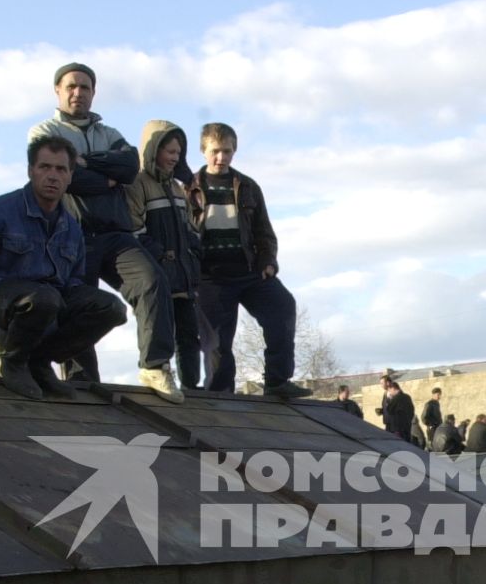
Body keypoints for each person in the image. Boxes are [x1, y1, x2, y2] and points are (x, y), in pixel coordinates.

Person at [0, 136, 127, 401]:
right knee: (43, 298)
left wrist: (80, 305)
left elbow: (73, 281)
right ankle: (13, 362)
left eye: (60, 169)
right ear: (30, 171)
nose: (52, 176)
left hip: (45, 312)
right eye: (44, 167)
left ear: (71, 176)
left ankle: (40, 363)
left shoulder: (71, 228)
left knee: (111, 308)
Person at [27, 64, 177, 398]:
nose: (78, 92)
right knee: (81, 305)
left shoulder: (109, 132)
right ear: (57, 90)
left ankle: (155, 366)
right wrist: (100, 175)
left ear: (93, 93)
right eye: (71, 86)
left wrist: (85, 162)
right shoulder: (43, 130)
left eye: (85, 87)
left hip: (114, 232)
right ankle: (82, 380)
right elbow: (66, 178)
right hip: (69, 233)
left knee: (151, 280)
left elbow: (129, 167)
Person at [187, 122, 307, 398]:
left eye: (227, 151)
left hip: (249, 271)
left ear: (234, 151)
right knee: (217, 343)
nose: (222, 158)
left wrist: (268, 262)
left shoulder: (248, 186)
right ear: (204, 151)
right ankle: (220, 395)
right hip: (210, 277)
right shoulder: (189, 188)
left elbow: (264, 231)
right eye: (215, 151)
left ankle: (277, 381)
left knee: (283, 307)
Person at [124, 120, 204, 391]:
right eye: (169, 151)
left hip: (184, 276)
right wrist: (160, 256)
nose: (174, 157)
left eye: (178, 153)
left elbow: (189, 228)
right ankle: (159, 379)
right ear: (152, 149)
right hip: (158, 276)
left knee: (189, 336)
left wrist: (195, 250)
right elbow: (134, 228)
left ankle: (193, 387)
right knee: (160, 332)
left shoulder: (178, 187)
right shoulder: (137, 184)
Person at [377, 375, 414, 441]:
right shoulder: (385, 394)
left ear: (388, 383)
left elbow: (396, 409)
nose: (381, 385)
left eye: (382, 383)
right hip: (389, 425)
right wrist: (382, 411)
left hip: (397, 426)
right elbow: (387, 408)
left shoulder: (398, 396)